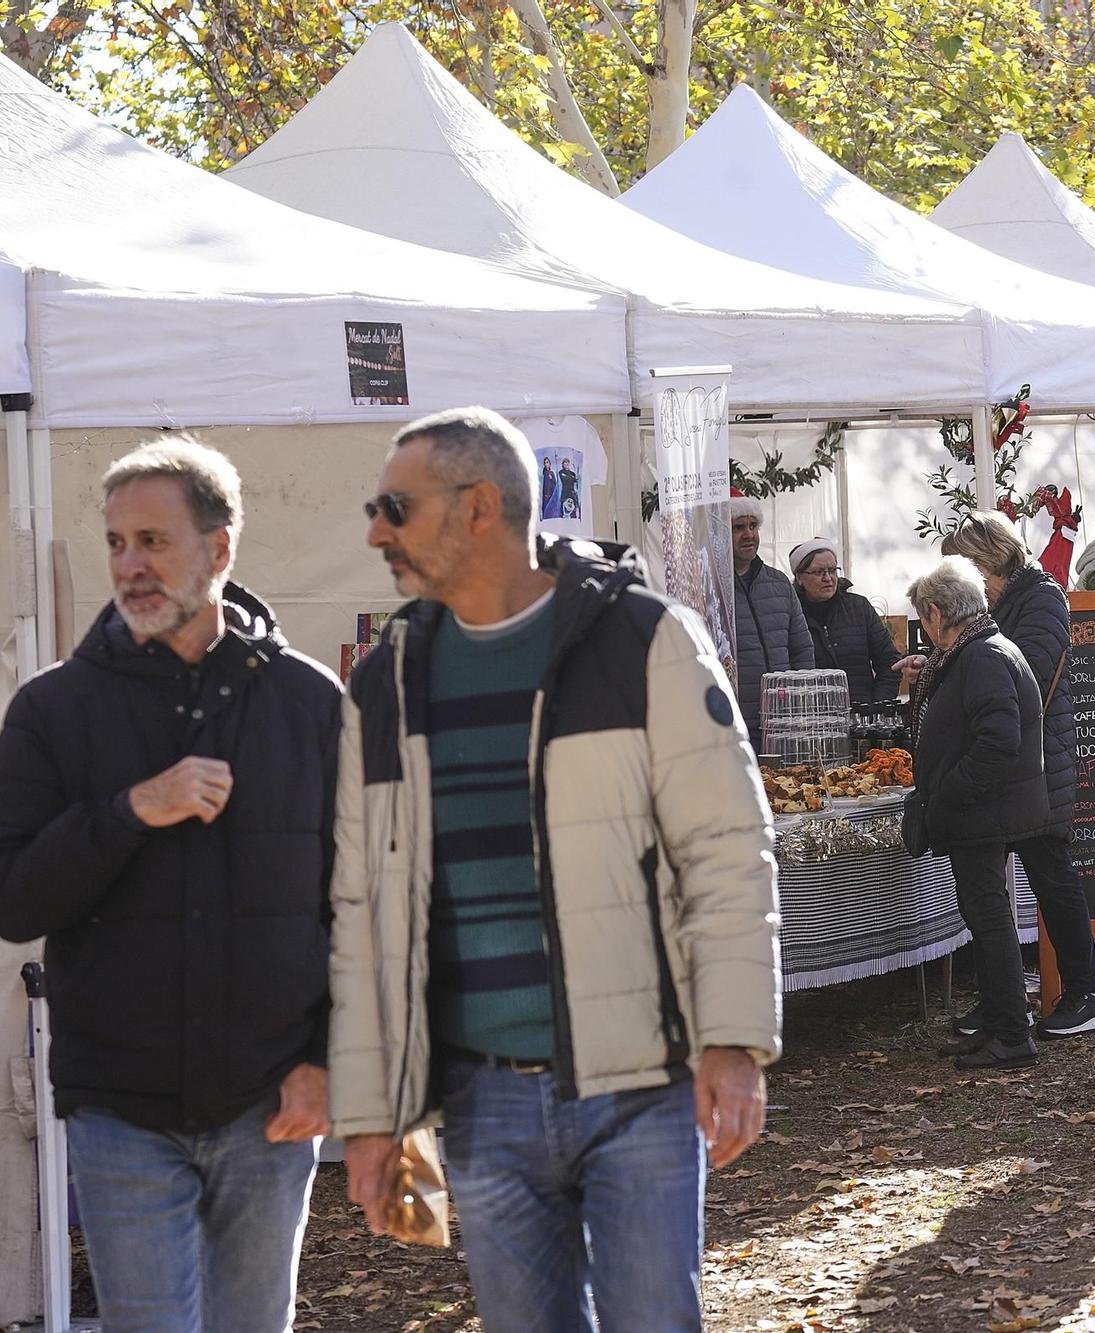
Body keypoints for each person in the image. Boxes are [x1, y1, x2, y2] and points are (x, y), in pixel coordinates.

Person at [334, 407, 780, 1332]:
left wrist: (734, 1042)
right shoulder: (388, 680)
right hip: (479, 1097)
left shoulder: (645, 638)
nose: (376, 529)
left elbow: (728, 850)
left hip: (642, 1088)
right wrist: (374, 1118)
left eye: (395, 506)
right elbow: (359, 907)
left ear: (480, 507)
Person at [0, 438, 338, 1332]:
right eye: (116, 543)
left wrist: (331, 1060)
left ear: (219, 549)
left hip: (271, 1102)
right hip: (121, 1109)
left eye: (153, 541)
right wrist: (131, 809)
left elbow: (367, 903)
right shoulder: (54, 708)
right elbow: (8, 893)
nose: (129, 564)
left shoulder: (313, 704)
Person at [940, 513, 1095, 1039]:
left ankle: (1085, 991)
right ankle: (1001, 998)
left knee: (1052, 877)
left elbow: (1029, 674)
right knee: (991, 889)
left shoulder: (1040, 597)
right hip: (1012, 762)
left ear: (990, 559)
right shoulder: (1007, 600)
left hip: (1040, 761)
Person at [904, 557, 1053, 1072]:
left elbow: (997, 742)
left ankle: (1012, 1033)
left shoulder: (983, 656)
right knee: (986, 917)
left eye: (923, 617)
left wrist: (947, 795)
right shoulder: (977, 650)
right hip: (983, 809)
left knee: (989, 920)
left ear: (936, 612)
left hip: (983, 811)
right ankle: (998, 1022)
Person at [732, 495, 815, 749]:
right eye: (738, 527)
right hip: (734, 728)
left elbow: (801, 648)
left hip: (782, 724)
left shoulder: (779, 583)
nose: (749, 534)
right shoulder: (708, 588)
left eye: (753, 526)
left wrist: (800, 703)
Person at [789, 538, 901, 704]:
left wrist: (875, 707)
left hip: (861, 718)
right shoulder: (791, 615)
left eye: (833, 570)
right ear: (799, 577)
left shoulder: (859, 608)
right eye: (819, 572)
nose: (828, 578)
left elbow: (890, 663)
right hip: (812, 719)